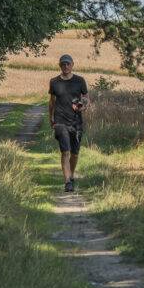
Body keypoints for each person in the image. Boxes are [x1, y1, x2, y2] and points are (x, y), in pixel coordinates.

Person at [48, 53, 89, 192]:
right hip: (60, 122)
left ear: (72, 65)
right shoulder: (54, 82)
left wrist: (82, 106)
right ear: (60, 66)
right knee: (65, 151)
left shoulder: (80, 81)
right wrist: (51, 118)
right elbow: (52, 102)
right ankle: (67, 182)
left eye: (68, 64)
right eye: (63, 64)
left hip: (76, 122)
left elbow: (86, 99)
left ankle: (71, 175)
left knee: (75, 153)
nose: (65, 66)